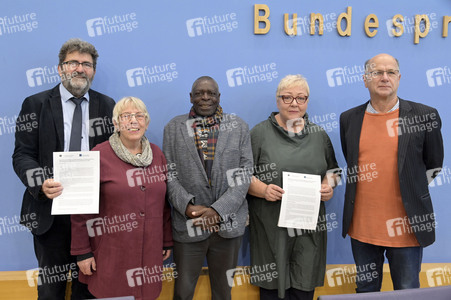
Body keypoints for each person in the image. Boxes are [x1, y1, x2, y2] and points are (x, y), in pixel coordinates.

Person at [12, 38, 115, 299]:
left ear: (93, 70)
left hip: (94, 213)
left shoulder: (108, 106)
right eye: (73, 63)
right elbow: (22, 155)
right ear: (60, 68)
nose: (80, 69)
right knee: (51, 291)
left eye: (87, 64)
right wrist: (39, 183)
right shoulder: (34, 105)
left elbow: (115, 157)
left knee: (89, 289)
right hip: (50, 212)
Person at [340, 53, 444, 292]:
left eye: (391, 72)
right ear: (365, 79)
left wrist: (411, 186)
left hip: (407, 227)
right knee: (365, 292)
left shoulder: (424, 116)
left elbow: (434, 163)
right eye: (377, 72)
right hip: (363, 228)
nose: (384, 77)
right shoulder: (349, 119)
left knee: (407, 291)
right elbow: (352, 161)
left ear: (399, 77)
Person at [247, 74, 340, 300]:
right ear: (277, 100)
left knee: (303, 284)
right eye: (287, 97)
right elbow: (241, 175)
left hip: (308, 226)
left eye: (300, 98)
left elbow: (334, 171)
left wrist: (328, 187)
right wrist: (263, 190)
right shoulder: (259, 133)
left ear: (308, 101)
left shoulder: (319, 135)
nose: (294, 103)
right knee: (271, 287)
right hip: (271, 225)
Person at [71, 97, 173, 299]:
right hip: (111, 252)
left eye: (139, 116)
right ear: (116, 123)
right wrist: (82, 252)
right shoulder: (98, 154)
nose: (133, 121)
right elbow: (81, 209)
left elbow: (164, 204)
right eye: (126, 116)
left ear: (146, 121)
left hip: (150, 250)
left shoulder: (157, 153)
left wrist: (167, 240)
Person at [163, 76, 253, 300]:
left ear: (219, 97)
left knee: (224, 293)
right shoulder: (173, 127)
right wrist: (188, 207)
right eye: (199, 93)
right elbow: (169, 175)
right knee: (182, 293)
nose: (205, 97)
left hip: (228, 226)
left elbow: (245, 173)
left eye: (211, 93)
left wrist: (218, 210)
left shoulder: (238, 126)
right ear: (191, 97)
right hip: (189, 223)